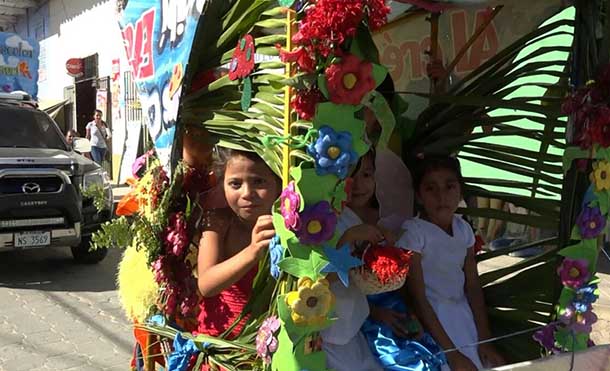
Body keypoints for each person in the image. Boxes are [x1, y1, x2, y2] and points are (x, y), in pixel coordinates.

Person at [322, 150, 442, 371]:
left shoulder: (383, 220)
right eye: (350, 175)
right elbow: (320, 278)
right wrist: (350, 238)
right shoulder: (324, 221)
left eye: (367, 175)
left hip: (374, 315)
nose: (358, 185)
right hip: (336, 325)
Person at [399, 156, 505, 371]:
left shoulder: (464, 229)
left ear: (460, 191)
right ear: (419, 196)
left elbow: (473, 286)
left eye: (449, 187)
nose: (442, 196)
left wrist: (485, 339)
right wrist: (452, 353)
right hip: (433, 323)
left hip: (463, 318)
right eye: (431, 189)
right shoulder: (414, 233)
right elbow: (418, 298)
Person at [196, 148, 280, 339]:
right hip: (221, 344)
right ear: (221, 186)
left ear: (278, 183)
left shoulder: (291, 226)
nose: (247, 193)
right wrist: (252, 251)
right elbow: (206, 284)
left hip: (270, 346)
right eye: (235, 184)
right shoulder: (218, 223)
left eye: (259, 181)